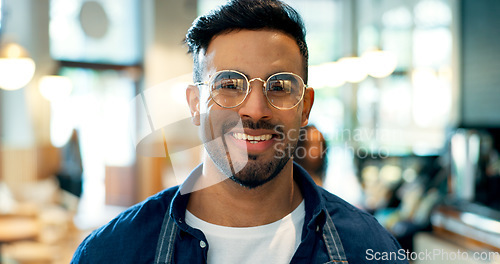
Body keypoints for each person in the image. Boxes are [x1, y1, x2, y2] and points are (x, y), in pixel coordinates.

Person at [71, 0, 408, 263]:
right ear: (194, 105)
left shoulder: (369, 251)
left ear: (305, 107)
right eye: (229, 84)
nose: (256, 109)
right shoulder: (111, 253)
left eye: (280, 86)